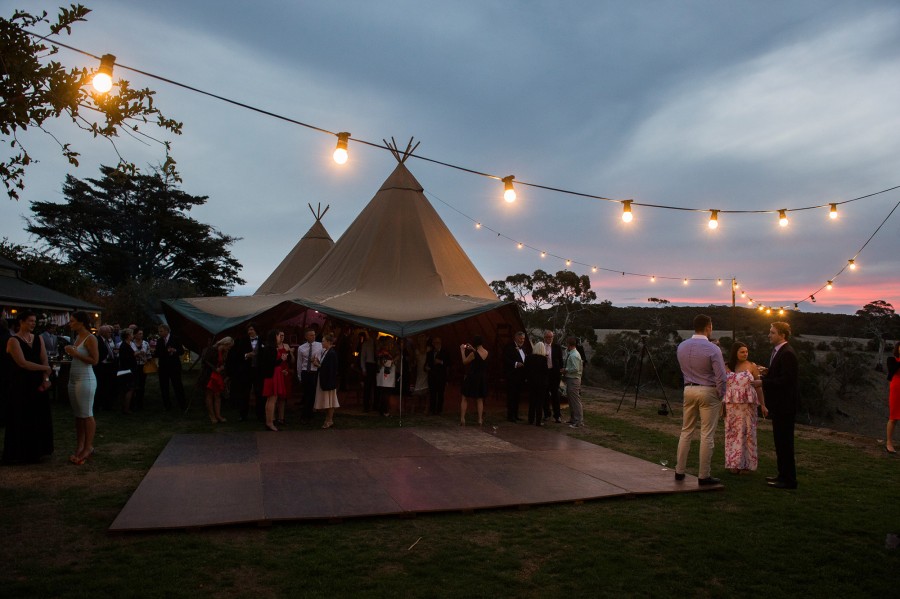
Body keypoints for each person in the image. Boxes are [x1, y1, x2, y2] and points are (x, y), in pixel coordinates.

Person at [674, 314, 727, 486]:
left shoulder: (682, 346)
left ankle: (679, 470)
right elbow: (721, 376)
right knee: (707, 434)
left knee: (686, 430)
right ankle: (704, 475)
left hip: (688, 388)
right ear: (708, 327)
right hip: (708, 391)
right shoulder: (712, 349)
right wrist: (721, 394)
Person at [2, 311, 54, 464]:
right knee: (22, 417)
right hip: (21, 385)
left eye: (35, 321)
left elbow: (44, 358)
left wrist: (45, 378)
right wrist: (44, 368)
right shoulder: (13, 341)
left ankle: (38, 450)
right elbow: (22, 363)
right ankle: (20, 452)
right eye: (30, 321)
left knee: (38, 416)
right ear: (21, 322)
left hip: (37, 384)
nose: (33, 324)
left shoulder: (38, 339)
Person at [761, 321, 800, 489]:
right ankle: (782, 474)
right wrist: (767, 372)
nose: (769, 335)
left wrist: (762, 382)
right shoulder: (779, 352)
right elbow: (780, 374)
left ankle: (788, 479)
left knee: (785, 442)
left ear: (782, 335)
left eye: (772, 332)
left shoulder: (787, 353)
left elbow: (786, 380)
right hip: (779, 405)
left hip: (785, 405)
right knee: (779, 441)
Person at [723, 342, 767, 474]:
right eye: (742, 352)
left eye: (746, 352)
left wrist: (763, 404)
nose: (745, 354)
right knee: (733, 433)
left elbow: (758, 387)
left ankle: (747, 465)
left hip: (748, 405)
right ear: (735, 352)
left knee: (748, 433)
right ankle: (734, 463)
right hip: (732, 405)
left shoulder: (752, 366)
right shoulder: (726, 366)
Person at [64, 311, 98, 466]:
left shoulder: (90, 338)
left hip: (86, 378)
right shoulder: (77, 337)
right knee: (78, 414)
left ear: (81, 322)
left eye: (72, 321)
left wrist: (74, 353)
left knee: (86, 413)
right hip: (74, 378)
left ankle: (88, 447)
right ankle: (80, 445)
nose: (70, 324)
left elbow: (94, 360)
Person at [200, 337, 233, 424]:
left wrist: (222, 368)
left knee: (218, 395)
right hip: (209, 375)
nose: (229, 348)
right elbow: (205, 361)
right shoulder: (212, 349)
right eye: (229, 346)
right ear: (225, 343)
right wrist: (215, 369)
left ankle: (218, 415)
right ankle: (212, 415)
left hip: (218, 375)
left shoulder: (223, 353)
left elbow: (222, 363)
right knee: (209, 394)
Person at [155, 323, 187, 411]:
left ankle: (182, 404)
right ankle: (167, 405)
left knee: (177, 385)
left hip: (174, 366)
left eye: (161, 331)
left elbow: (181, 351)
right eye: (159, 331)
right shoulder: (159, 341)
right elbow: (157, 353)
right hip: (163, 367)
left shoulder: (175, 339)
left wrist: (174, 350)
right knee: (164, 386)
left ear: (166, 331)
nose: (159, 333)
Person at [459, 336, 488, 426]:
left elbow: (465, 362)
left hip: (472, 377)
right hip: (482, 378)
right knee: (479, 399)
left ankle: (463, 418)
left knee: (464, 397)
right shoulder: (486, 352)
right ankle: (480, 419)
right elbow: (479, 357)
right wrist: (473, 349)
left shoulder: (473, 354)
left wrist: (462, 351)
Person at [259, 329, 284, 431]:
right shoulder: (271, 348)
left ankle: (268, 421)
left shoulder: (268, 347)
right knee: (272, 399)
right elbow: (271, 364)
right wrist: (282, 359)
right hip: (273, 375)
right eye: (278, 336)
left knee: (270, 400)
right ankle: (270, 422)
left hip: (271, 375)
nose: (280, 338)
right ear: (275, 337)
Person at [296, 327, 322, 424]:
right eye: (311, 335)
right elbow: (299, 362)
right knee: (306, 394)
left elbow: (323, 357)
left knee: (311, 394)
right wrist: (299, 376)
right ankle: (307, 414)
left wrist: (317, 361)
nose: (313, 336)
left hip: (314, 372)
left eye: (314, 334)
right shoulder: (301, 348)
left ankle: (307, 414)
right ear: (306, 336)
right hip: (305, 372)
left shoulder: (319, 346)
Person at [315, 333, 340, 428]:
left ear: (328, 342)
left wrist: (318, 366)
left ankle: (329, 420)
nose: (322, 343)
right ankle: (328, 419)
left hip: (328, 381)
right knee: (327, 401)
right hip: (324, 380)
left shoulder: (332, 353)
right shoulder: (326, 352)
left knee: (330, 401)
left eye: (323, 341)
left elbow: (331, 369)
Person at [503, 331, 528, 422]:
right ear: (516, 338)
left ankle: (516, 415)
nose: (522, 340)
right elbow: (505, 359)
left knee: (517, 396)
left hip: (520, 376)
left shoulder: (524, 348)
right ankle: (510, 416)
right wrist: (516, 364)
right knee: (511, 396)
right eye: (521, 338)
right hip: (512, 375)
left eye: (523, 339)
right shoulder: (509, 347)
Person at [562, 336, 585, 428]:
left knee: (575, 400)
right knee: (571, 400)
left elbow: (575, 368)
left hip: (574, 379)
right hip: (570, 379)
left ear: (569, 344)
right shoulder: (571, 353)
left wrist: (566, 370)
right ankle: (573, 419)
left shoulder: (574, 355)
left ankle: (578, 421)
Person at [93, 324, 117, 410]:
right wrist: (107, 357)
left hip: (108, 366)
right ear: (103, 333)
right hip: (101, 367)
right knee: (100, 386)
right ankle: (98, 404)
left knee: (107, 386)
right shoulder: (98, 341)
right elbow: (99, 353)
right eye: (109, 332)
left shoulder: (107, 341)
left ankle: (106, 403)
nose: (110, 334)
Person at [542, 330, 564, 423]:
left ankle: (557, 415)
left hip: (554, 374)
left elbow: (560, 360)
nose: (549, 339)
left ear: (553, 338)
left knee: (555, 395)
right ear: (544, 338)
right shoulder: (541, 346)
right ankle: (547, 414)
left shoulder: (557, 347)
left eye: (551, 337)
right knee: (545, 395)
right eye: (547, 337)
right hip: (544, 373)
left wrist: (561, 370)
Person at [525, 341, 549, 426]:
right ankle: (538, 421)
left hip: (531, 383)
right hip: (541, 384)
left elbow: (526, 370)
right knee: (540, 402)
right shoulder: (543, 359)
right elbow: (546, 372)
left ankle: (530, 419)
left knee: (532, 402)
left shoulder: (528, 357)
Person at [425, 337, 450, 415]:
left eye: (438, 343)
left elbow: (449, 363)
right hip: (432, 376)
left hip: (441, 377)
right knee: (432, 394)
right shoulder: (429, 353)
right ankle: (432, 410)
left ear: (441, 343)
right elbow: (426, 364)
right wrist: (426, 368)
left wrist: (440, 361)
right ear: (433, 344)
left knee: (440, 394)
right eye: (435, 343)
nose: (436, 344)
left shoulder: (445, 352)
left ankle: (439, 410)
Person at [375, 337, 397, 416]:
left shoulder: (386, 352)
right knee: (385, 393)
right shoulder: (383, 352)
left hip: (386, 376)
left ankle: (383, 410)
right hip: (385, 377)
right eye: (390, 342)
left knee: (385, 393)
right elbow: (385, 363)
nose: (391, 344)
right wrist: (395, 359)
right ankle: (384, 411)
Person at [117, 329, 137, 414]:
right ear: (128, 336)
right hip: (127, 369)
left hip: (127, 369)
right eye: (132, 334)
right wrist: (135, 355)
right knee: (129, 389)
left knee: (126, 389)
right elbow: (126, 359)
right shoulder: (125, 346)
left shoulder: (126, 345)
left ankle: (125, 407)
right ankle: (126, 408)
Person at [131, 328, 150, 411]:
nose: (141, 335)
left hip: (142, 365)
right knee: (134, 384)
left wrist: (147, 359)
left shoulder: (146, 343)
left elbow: (149, 354)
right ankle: (132, 402)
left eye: (142, 333)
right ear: (134, 335)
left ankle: (140, 403)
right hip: (134, 366)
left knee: (142, 384)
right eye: (139, 333)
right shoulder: (131, 344)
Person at [887, 341, 900, 454]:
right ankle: (889, 443)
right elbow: (892, 372)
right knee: (893, 417)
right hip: (896, 389)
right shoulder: (891, 360)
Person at [359, 331, 377, 412]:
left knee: (376, 386)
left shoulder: (378, 343)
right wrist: (363, 368)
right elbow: (362, 356)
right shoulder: (366, 343)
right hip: (369, 365)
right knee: (367, 387)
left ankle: (375, 405)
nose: (375, 334)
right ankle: (366, 406)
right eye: (373, 333)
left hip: (376, 365)